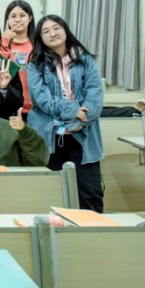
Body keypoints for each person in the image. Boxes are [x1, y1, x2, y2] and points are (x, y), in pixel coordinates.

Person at [27, 15, 104, 212]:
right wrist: (72, 112)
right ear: (40, 37)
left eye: (56, 28)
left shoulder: (85, 60)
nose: (52, 33)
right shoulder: (36, 63)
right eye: (45, 31)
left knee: (90, 193)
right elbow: (41, 99)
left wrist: (78, 122)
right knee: (50, 194)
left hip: (83, 134)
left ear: (65, 30)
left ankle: (94, 230)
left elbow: (95, 97)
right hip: (49, 135)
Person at [0, 0, 35, 119]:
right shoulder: (1, 43)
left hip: (36, 109)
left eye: (22, 15)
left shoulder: (37, 44)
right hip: (10, 107)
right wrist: (4, 40)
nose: (18, 20)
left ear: (30, 18)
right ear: (7, 20)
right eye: (13, 16)